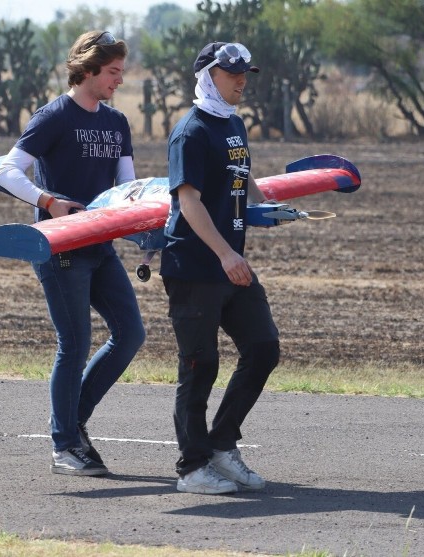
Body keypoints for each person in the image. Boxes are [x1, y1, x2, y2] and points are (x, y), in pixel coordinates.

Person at [0, 31, 145, 476]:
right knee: (74, 344)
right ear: (89, 71)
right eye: (113, 72)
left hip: (101, 247)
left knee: (131, 334)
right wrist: (47, 202)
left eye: (121, 72)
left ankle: (71, 422)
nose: (119, 80)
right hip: (60, 249)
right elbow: (7, 171)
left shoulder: (117, 123)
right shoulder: (54, 116)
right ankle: (64, 446)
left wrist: (145, 227)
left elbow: (126, 189)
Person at [161, 41, 281, 494]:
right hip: (195, 266)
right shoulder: (190, 131)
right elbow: (187, 201)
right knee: (200, 365)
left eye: (245, 72)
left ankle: (220, 446)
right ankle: (192, 470)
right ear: (209, 76)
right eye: (233, 73)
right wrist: (226, 254)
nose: (241, 80)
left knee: (263, 347)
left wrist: (263, 203)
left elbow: (238, 176)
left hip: (230, 263)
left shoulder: (234, 123)